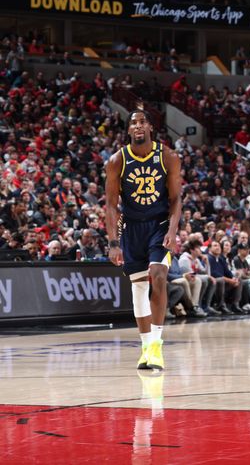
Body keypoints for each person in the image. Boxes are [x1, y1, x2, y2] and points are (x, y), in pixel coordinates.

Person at [105, 110, 182, 371]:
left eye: (142, 122)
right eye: (133, 123)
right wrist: (113, 242)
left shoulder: (168, 157)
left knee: (158, 274)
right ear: (129, 130)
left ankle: (157, 346)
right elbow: (111, 205)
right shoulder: (117, 160)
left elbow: (176, 199)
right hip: (131, 228)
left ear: (150, 126)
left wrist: (172, 229)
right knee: (138, 289)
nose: (138, 126)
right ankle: (145, 346)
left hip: (159, 224)